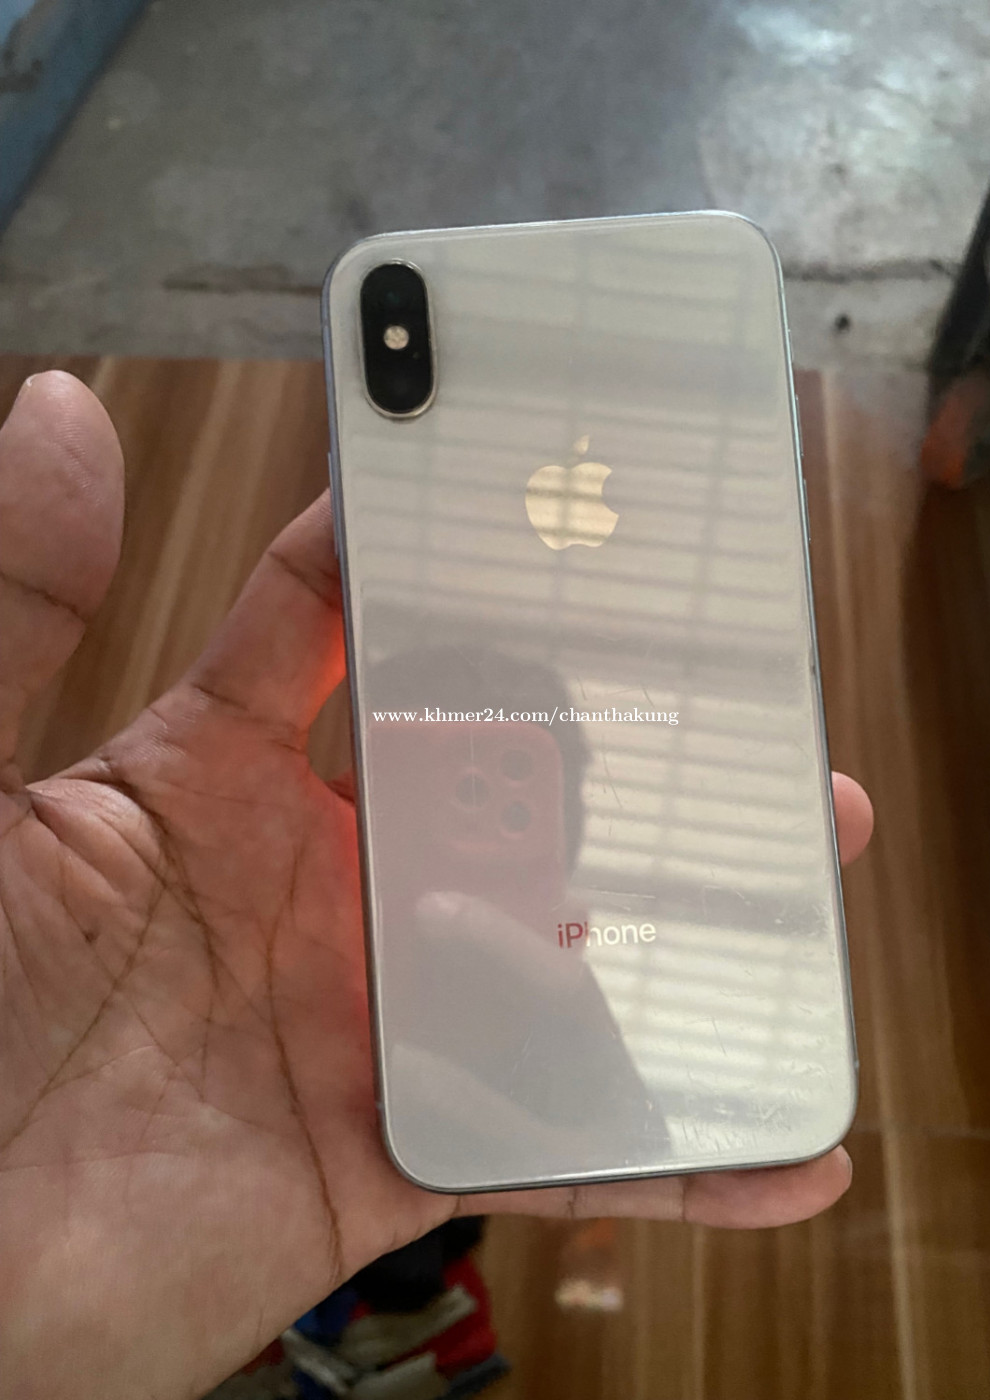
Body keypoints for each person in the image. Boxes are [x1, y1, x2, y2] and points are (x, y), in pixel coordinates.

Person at [0, 372, 874, 1400]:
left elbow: (609, 1097)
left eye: (520, 781)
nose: (489, 800)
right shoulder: (323, 939)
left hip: (415, 1151)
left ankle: (402, 1302)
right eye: (457, 774)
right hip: (340, 1119)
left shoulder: (569, 980)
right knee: (430, 1195)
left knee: (449, 1193)